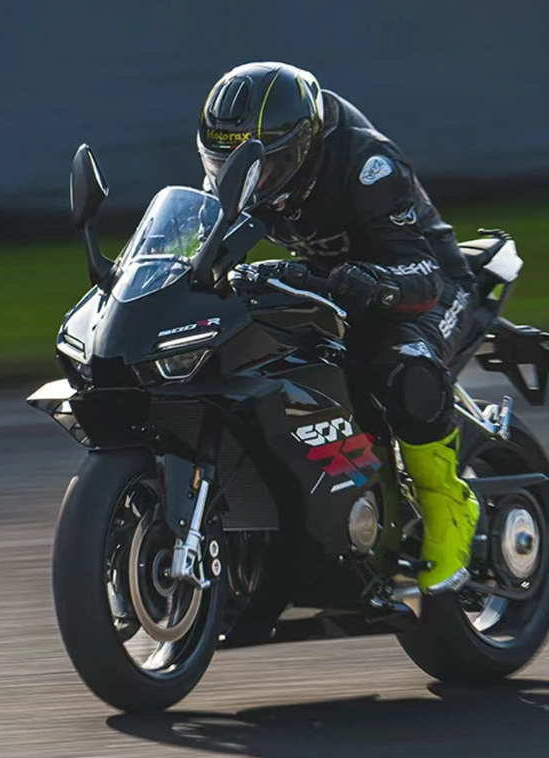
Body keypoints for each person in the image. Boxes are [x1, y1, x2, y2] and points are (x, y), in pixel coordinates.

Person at [197, 62, 480, 593]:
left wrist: (377, 281)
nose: (250, 180)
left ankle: (449, 505)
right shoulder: (242, 171)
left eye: (265, 166)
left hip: (421, 283)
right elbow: (203, 249)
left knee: (402, 368)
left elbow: (425, 273)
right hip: (330, 283)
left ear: (301, 148)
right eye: (227, 164)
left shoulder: (367, 165)